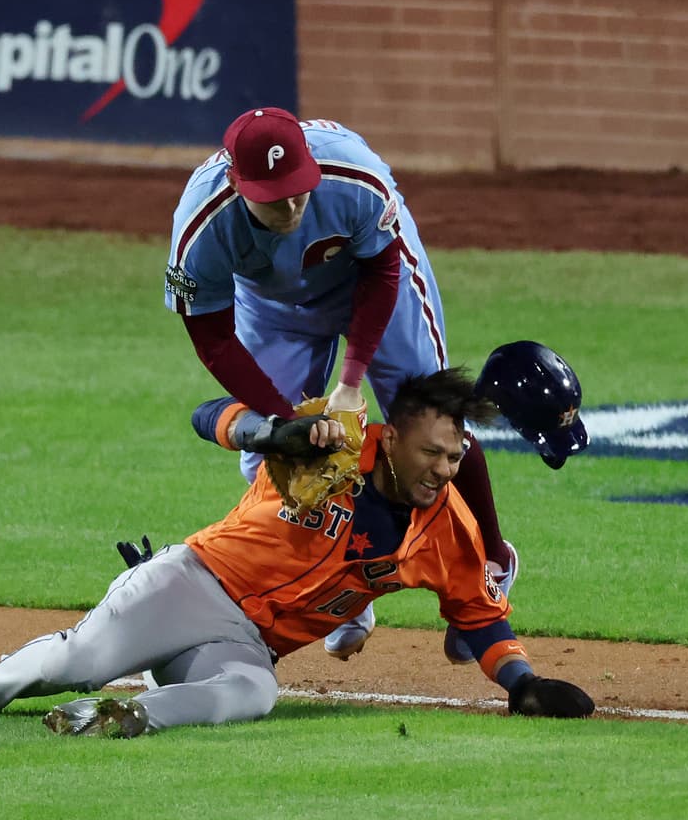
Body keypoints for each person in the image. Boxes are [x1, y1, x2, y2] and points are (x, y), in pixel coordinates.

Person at [0, 369, 595, 737]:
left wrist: (521, 683)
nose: (444, 469)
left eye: (455, 456)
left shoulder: (449, 527)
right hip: (190, 585)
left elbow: (479, 615)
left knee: (254, 693)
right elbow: (206, 414)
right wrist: (268, 432)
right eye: (433, 452)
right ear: (395, 436)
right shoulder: (330, 441)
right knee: (77, 662)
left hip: (247, 644)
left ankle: (128, 717)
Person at [164, 106, 514, 661]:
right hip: (273, 305)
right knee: (269, 459)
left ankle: (492, 563)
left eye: (298, 191)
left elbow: (383, 270)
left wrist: (351, 381)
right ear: (237, 183)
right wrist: (286, 422)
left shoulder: (353, 177)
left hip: (371, 280)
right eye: (273, 198)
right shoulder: (201, 227)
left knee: (434, 425)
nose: (291, 206)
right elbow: (214, 341)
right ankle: (340, 588)